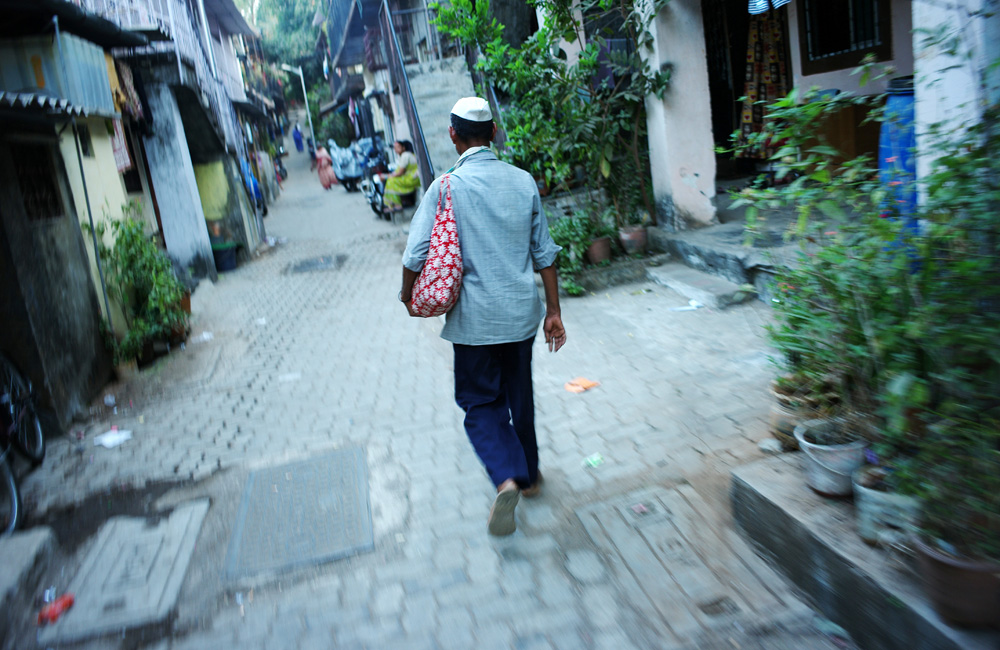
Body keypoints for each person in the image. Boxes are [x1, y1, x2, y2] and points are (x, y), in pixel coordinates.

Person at [400, 97, 567, 537]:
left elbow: (415, 255)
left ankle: (506, 476)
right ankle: (529, 477)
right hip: (520, 314)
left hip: (474, 322)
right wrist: (554, 312)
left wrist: (406, 297)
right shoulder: (523, 181)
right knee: (519, 393)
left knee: (479, 403)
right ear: (494, 133)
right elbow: (545, 254)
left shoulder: (445, 187)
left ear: (453, 137)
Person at [381, 140, 420, 212]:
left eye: (398, 147)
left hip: (411, 179)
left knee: (391, 181)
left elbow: (400, 173)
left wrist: (386, 176)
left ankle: (397, 205)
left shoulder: (405, 155)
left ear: (403, 148)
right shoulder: (408, 155)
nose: (396, 149)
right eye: (395, 148)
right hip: (413, 178)